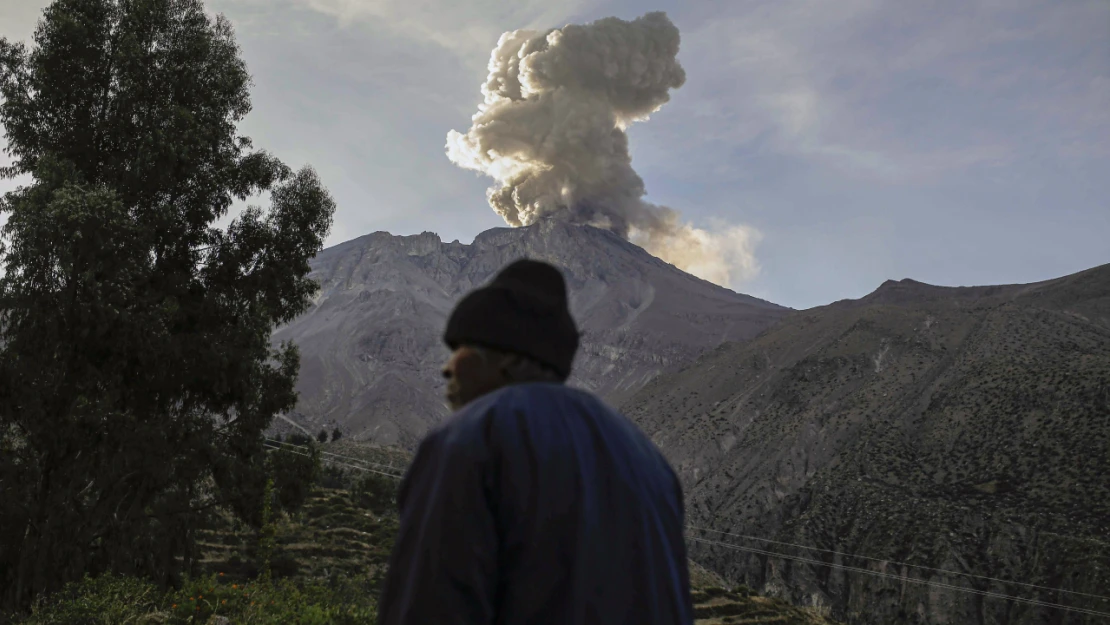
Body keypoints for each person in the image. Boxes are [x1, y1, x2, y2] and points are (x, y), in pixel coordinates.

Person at [377, 258, 694, 625]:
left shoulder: (473, 438)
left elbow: (430, 605)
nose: (447, 367)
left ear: (507, 360)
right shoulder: (648, 459)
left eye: (460, 349)